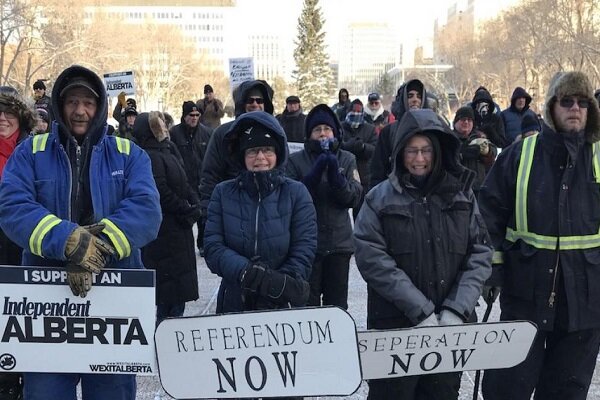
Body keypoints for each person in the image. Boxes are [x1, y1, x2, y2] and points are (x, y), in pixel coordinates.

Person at [0, 65, 161, 400]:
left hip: (115, 306)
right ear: (60, 105)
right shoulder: (29, 152)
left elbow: (146, 211)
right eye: (72, 101)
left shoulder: (130, 154)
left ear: (100, 106)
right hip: (47, 309)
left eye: (87, 102)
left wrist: (94, 247)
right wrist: (68, 241)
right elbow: (13, 208)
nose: (80, 110)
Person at [354, 108, 492, 400]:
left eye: (426, 150)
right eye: (411, 151)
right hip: (395, 328)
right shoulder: (379, 198)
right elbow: (372, 258)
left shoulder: (462, 196)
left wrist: (458, 308)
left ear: (439, 151)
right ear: (400, 154)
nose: (419, 159)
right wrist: (419, 308)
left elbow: (479, 252)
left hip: (449, 328)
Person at [480, 71, 600, 400]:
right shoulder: (520, 155)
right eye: (566, 101)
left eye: (582, 102)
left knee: (564, 393)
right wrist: (492, 270)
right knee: (507, 389)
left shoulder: (599, 159)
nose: (575, 108)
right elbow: (488, 215)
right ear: (550, 107)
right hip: (524, 297)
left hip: (584, 307)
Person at [204, 110, 316, 316]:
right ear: (242, 156)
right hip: (234, 300)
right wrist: (247, 272)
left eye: (267, 150)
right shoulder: (222, 193)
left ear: (278, 153)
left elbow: (305, 248)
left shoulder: (296, 192)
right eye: (253, 151)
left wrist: (275, 285)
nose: (261, 157)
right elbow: (213, 246)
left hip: (283, 303)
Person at [286, 104, 362, 310]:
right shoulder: (295, 160)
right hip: (307, 245)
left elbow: (354, 197)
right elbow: (290, 198)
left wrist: (337, 180)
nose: (322, 134)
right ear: (309, 134)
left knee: (336, 306)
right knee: (306, 305)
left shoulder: (347, 159)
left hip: (339, 245)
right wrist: (314, 175)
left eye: (326, 129)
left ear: (335, 132)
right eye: (317, 130)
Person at [133, 111, 200, 323]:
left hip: (178, 232)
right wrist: (185, 208)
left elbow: (184, 181)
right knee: (166, 298)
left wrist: (194, 203)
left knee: (176, 297)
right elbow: (160, 192)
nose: (163, 127)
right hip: (164, 235)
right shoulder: (149, 156)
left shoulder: (168, 151)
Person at [199, 79, 274, 249]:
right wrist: (210, 216)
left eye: (260, 100)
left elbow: (284, 172)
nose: (255, 104)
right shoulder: (223, 134)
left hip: (271, 215)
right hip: (233, 214)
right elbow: (210, 176)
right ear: (242, 103)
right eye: (250, 100)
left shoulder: (276, 131)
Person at [0, 85, 37, 400]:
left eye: (8, 111)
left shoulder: (34, 150)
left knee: (22, 325)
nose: (2, 118)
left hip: (25, 250)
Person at [371, 79, 429, 189]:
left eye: (419, 96)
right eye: (410, 96)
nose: (415, 100)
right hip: (395, 195)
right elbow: (378, 171)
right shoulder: (389, 132)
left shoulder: (433, 130)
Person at [170, 101, 212, 254]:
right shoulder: (174, 133)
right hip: (183, 181)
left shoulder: (207, 133)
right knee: (184, 214)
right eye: (191, 115)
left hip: (202, 179)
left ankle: (202, 243)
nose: (194, 118)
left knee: (203, 214)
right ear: (184, 116)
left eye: (196, 115)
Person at [340, 99, 377, 218]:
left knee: (361, 213)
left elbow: (375, 149)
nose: (356, 113)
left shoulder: (369, 129)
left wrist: (363, 147)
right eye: (353, 111)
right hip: (343, 173)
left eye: (358, 111)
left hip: (363, 175)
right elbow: (337, 145)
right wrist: (347, 146)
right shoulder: (340, 127)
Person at [453, 106, 496, 197]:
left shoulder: (479, 137)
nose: (466, 122)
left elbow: (493, 153)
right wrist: (461, 154)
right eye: (463, 119)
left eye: (469, 120)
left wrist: (487, 152)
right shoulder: (449, 138)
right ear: (456, 122)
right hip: (457, 189)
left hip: (480, 188)